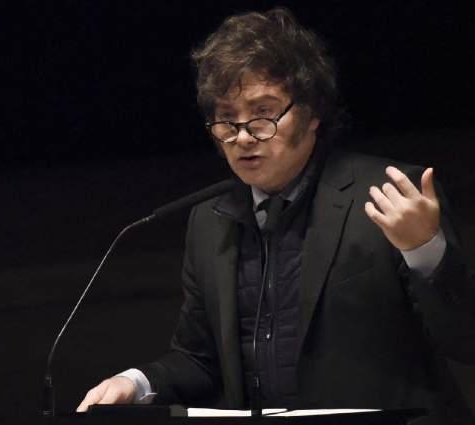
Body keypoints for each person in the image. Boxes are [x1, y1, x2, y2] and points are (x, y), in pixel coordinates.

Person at [77, 8, 475, 424]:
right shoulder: (210, 221)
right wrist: (136, 382)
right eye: (226, 119)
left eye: (263, 113)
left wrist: (425, 250)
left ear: (312, 113)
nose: (243, 136)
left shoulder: (392, 196)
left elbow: (465, 341)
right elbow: (200, 359)